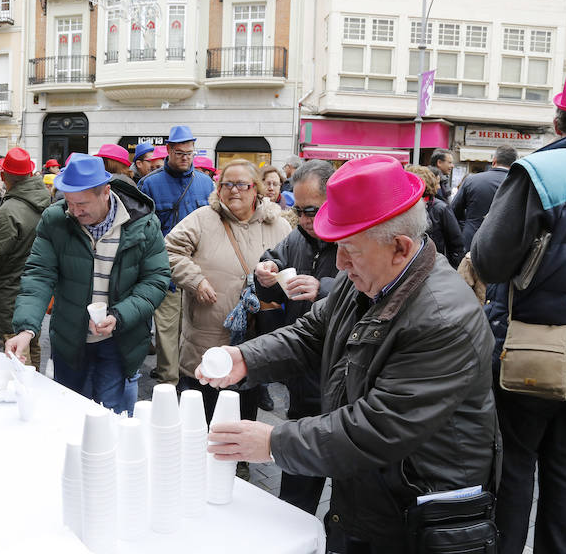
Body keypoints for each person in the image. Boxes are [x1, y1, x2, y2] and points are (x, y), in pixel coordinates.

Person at [198, 155, 497, 552]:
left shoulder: (443, 318)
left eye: (349, 249)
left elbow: (379, 427)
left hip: (419, 512)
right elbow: (312, 333)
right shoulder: (366, 277)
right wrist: (246, 358)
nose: (339, 262)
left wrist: (273, 442)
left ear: (400, 247)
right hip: (371, 490)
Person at [471, 64, 566, 554]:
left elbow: (489, 261)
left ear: (559, 122)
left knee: (514, 462)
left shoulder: (540, 172)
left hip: (530, 353)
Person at [6, 153, 170, 413]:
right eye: (69, 202)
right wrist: (26, 328)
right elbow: (39, 274)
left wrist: (119, 315)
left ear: (106, 192)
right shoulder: (55, 219)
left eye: (82, 203)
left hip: (120, 340)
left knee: (109, 416)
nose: (74, 211)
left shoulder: (142, 223)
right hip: (70, 337)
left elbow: (156, 279)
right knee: (69, 412)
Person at [165, 159, 291, 421]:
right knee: (202, 413)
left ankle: (240, 448)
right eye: (227, 184)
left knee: (244, 409)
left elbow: (291, 268)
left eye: (242, 185)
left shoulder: (278, 225)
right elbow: (169, 250)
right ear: (219, 188)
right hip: (207, 336)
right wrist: (195, 280)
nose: (234, 190)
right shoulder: (203, 219)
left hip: (255, 337)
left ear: (255, 188)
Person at [252, 159, 337, 515]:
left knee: (346, 491)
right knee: (296, 490)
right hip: (304, 375)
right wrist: (264, 273)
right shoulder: (297, 238)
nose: (303, 219)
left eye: (311, 211)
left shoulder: (353, 238)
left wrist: (324, 288)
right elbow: (270, 273)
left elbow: (372, 292)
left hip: (342, 374)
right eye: (299, 210)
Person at [138, 125, 214, 386]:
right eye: (180, 153)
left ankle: (190, 377)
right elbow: (142, 229)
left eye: (190, 153)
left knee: (194, 328)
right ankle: (169, 384)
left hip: (198, 269)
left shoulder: (205, 183)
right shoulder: (149, 184)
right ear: (169, 150)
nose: (185, 158)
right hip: (165, 269)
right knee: (167, 330)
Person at [0, 147, 51, 370]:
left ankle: (27, 388)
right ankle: (37, 384)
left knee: (17, 352)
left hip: (10, 292)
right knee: (32, 341)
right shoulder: (44, 198)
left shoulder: (9, 211)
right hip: (34, 288)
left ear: (4, 176)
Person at [451, 145, 516, 248]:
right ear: (514, 164)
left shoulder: (471, 180)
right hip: (505, 243)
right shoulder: (519, 185)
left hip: (472, 239)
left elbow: (454, 210)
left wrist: (467, 224)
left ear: (494, 161)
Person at [406, 164, 464, 268]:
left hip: (434, 266)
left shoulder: (440, 208)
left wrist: (452, 269)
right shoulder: (404, 208)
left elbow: (456, 243)